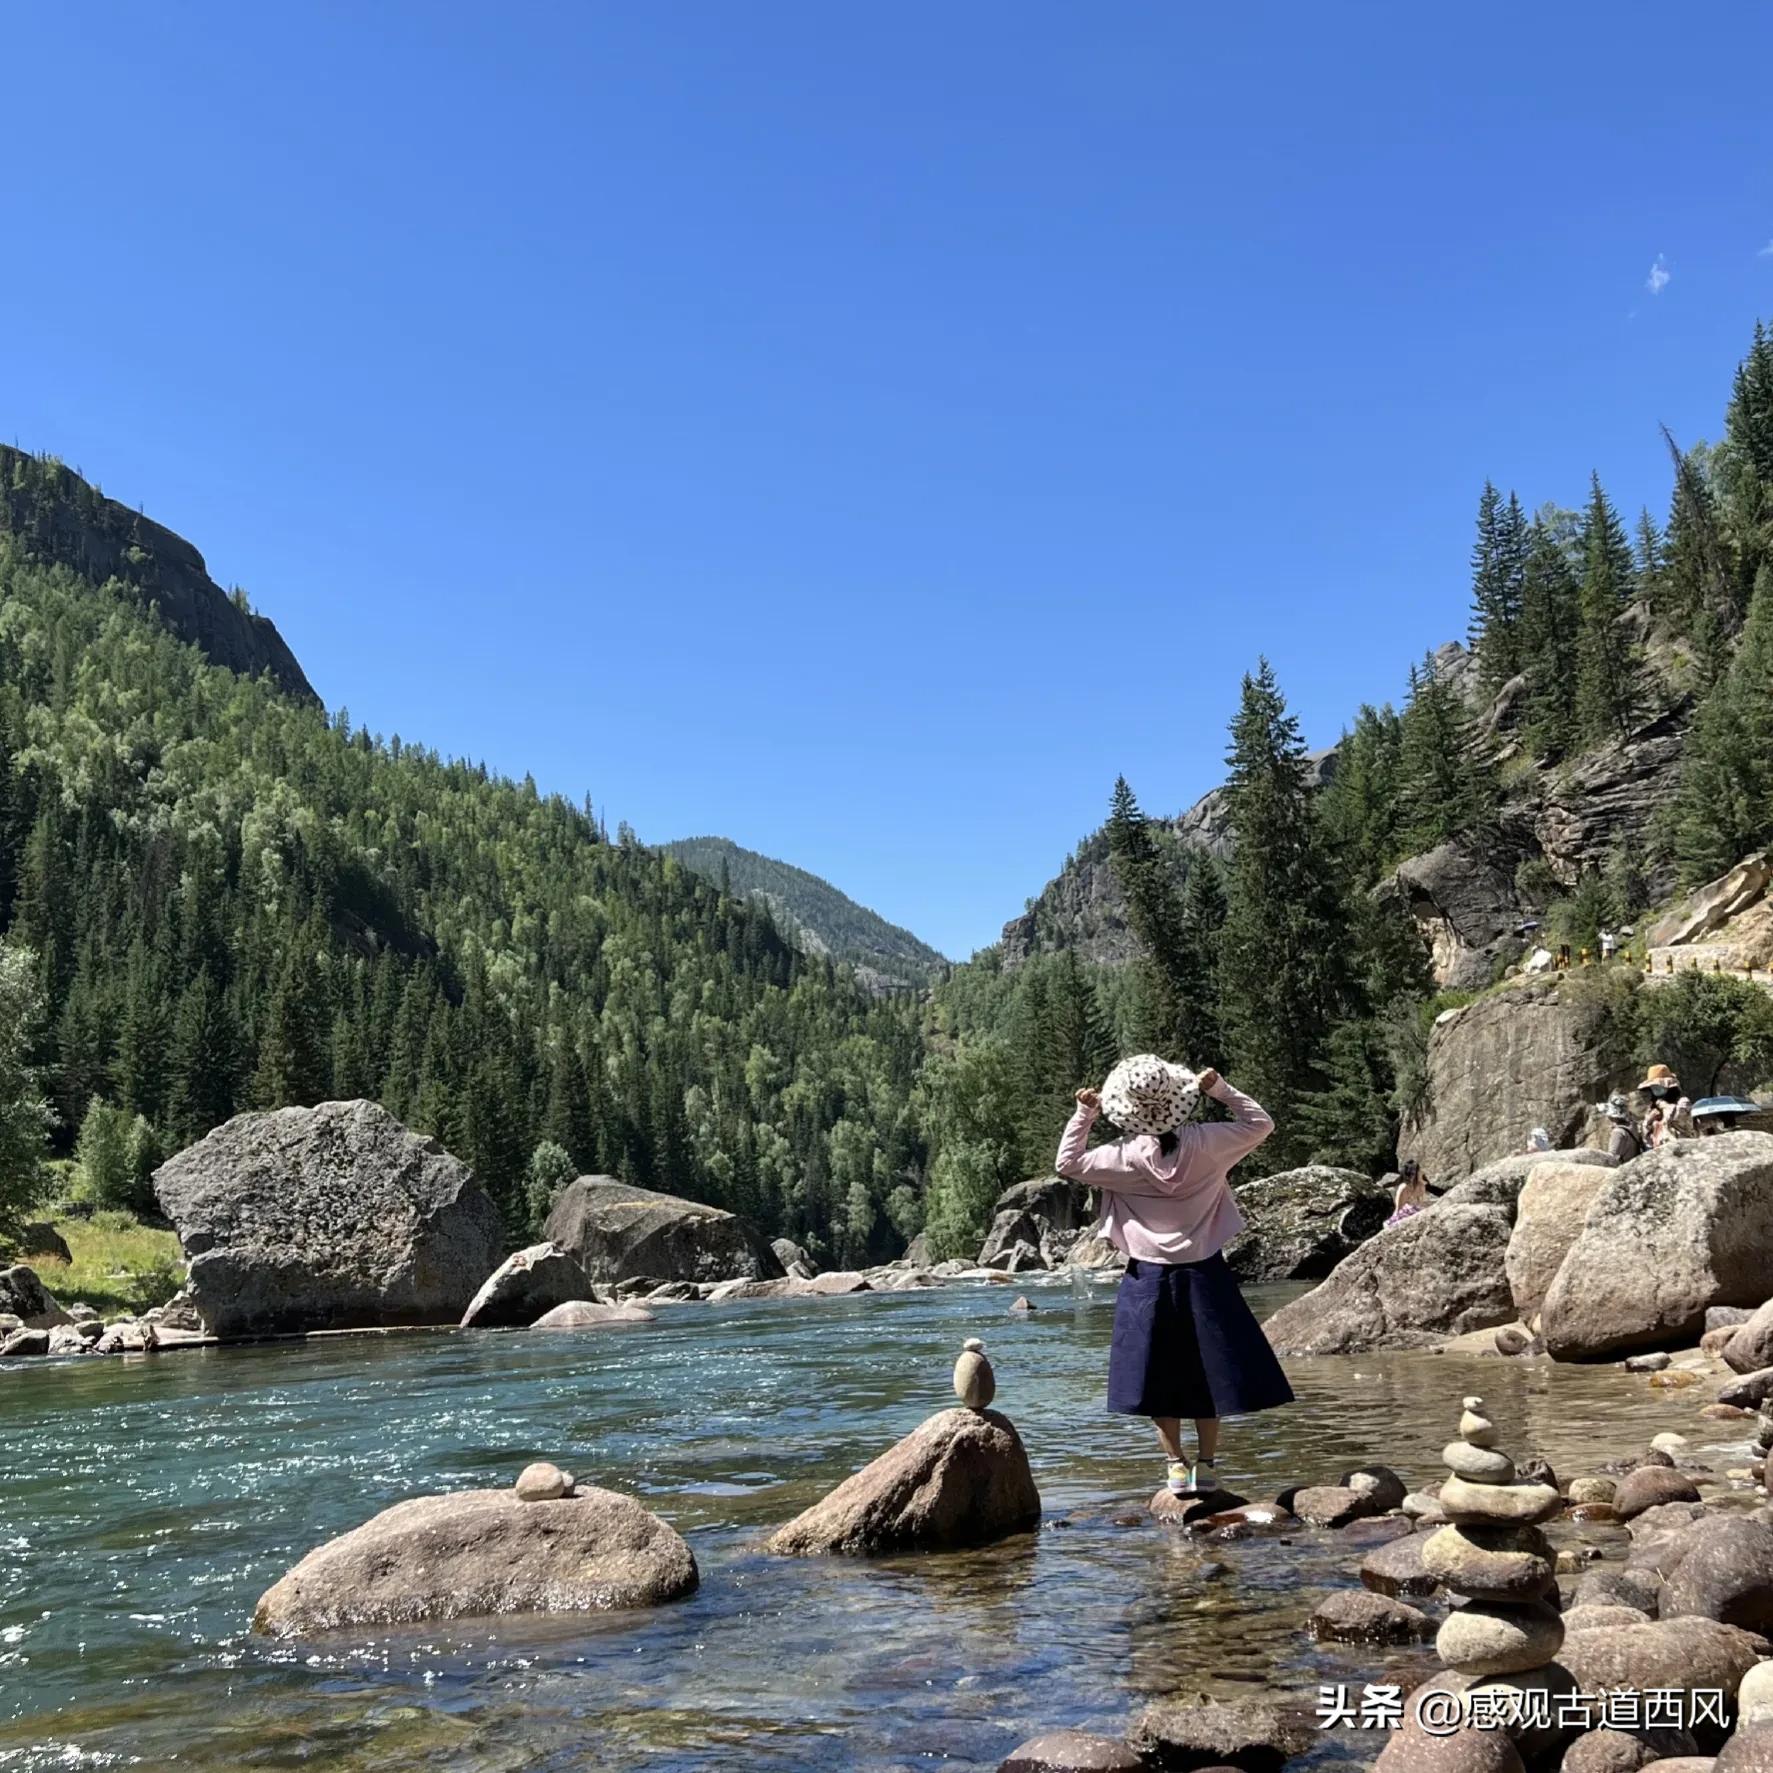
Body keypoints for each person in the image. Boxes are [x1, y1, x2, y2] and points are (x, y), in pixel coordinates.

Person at [1057, 1054, 1294, 1500]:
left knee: (1156, 1374)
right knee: (1209, 1371)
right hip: (1206, 1271)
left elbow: (1067, 1163)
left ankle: (1174, 1466)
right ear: (1179, 1100)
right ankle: (1206, 1466)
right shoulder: (1208, 1143)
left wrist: (1085, 1113)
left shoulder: (1122, 1158)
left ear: (1126, 1109)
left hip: (1147, 1276)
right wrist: (1220, 1090)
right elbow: (1261, 1124)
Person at [1599, 1093, 1644, 1163]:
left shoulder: (1618, 1132)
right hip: (1635, 1162)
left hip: (1625, 1167)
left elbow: (1612, 1157)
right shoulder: (1633, 1125)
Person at [1386, 1159, 1429, 1227]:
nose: (1422, 1172)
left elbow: (1422, 1203)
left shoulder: (1421, 1186)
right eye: (1419, 1171)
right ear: (1414, 1174)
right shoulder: (1404, 1188)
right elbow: (1399, 1209)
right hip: (1406, 1216)